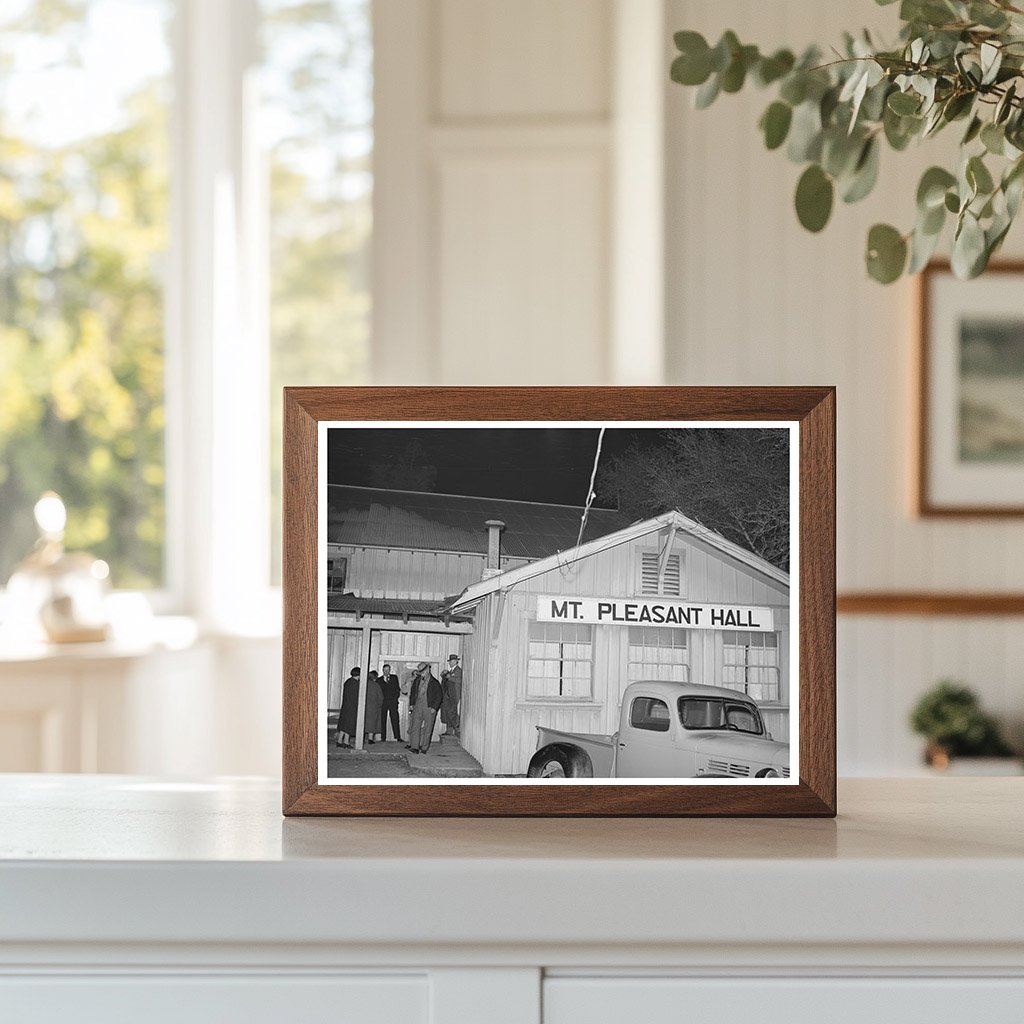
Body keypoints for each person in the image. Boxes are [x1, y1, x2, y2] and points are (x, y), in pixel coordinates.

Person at [405, 662, 443, 754]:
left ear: (428, 670)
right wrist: (411, 704)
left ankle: (424, 748)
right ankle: (414, 747)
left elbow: (439, 696)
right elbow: (413, 693)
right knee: (415, 726)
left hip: (429, 707)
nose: (421, 674)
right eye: (420, 672)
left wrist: (434, 707)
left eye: (422, 671)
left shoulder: (435, 682)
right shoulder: (417, 680)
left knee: (428, 728)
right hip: (418, 705)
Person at [336, 666, 361, 749]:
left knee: (344, 724)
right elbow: (357, 696)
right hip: (352, 706)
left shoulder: (348, 682)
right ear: (359, 674)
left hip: (346, 706)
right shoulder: (356, 684)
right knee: (349, 724)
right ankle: (346, 742)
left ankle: (339, 741)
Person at [440, 654, 463, 738]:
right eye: (450, 661)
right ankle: (449, 730)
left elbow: (460, 680)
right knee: (448, 711)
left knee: (452, 711)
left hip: (454, 695)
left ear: (456, 661)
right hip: (449, 695)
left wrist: (450, 678)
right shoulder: (451, 671)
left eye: (452, 661)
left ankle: (455, 728)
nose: (450, 663)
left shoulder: (458, 671)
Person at [379, 663, 402, 742]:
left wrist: (395, 699)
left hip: (393, 703)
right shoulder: (379, 680)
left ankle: (398, 737)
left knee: (395, 719)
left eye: (388, 670)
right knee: (382, 720)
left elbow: (397, 689)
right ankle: (383, 738)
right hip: (383, 703)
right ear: (382, 670)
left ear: (390, 670)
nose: (386, 672)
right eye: (385, 670)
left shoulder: (394, 678)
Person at [363, 670, 383, 745]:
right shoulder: (376, 685)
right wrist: (379, 705)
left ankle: (361, 738)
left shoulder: (363, 684)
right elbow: (380, 697)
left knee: (364, 722)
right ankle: (370, 739)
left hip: (364, 707)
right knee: (372, 723)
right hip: (374, 707)